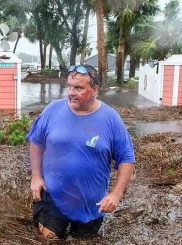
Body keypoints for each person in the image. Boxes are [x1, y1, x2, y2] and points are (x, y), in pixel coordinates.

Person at [26, 64, 136, 240]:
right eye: (69, 86)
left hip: (92, 205)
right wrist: (36, 176)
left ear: (94, 90)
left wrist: (116, 194)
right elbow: (36, 141)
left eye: (78, 88)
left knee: (85, 240)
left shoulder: (111, 118)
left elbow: (127, 159)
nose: (71, 92)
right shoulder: (53, 110)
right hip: (54, 197)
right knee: (50, 238)